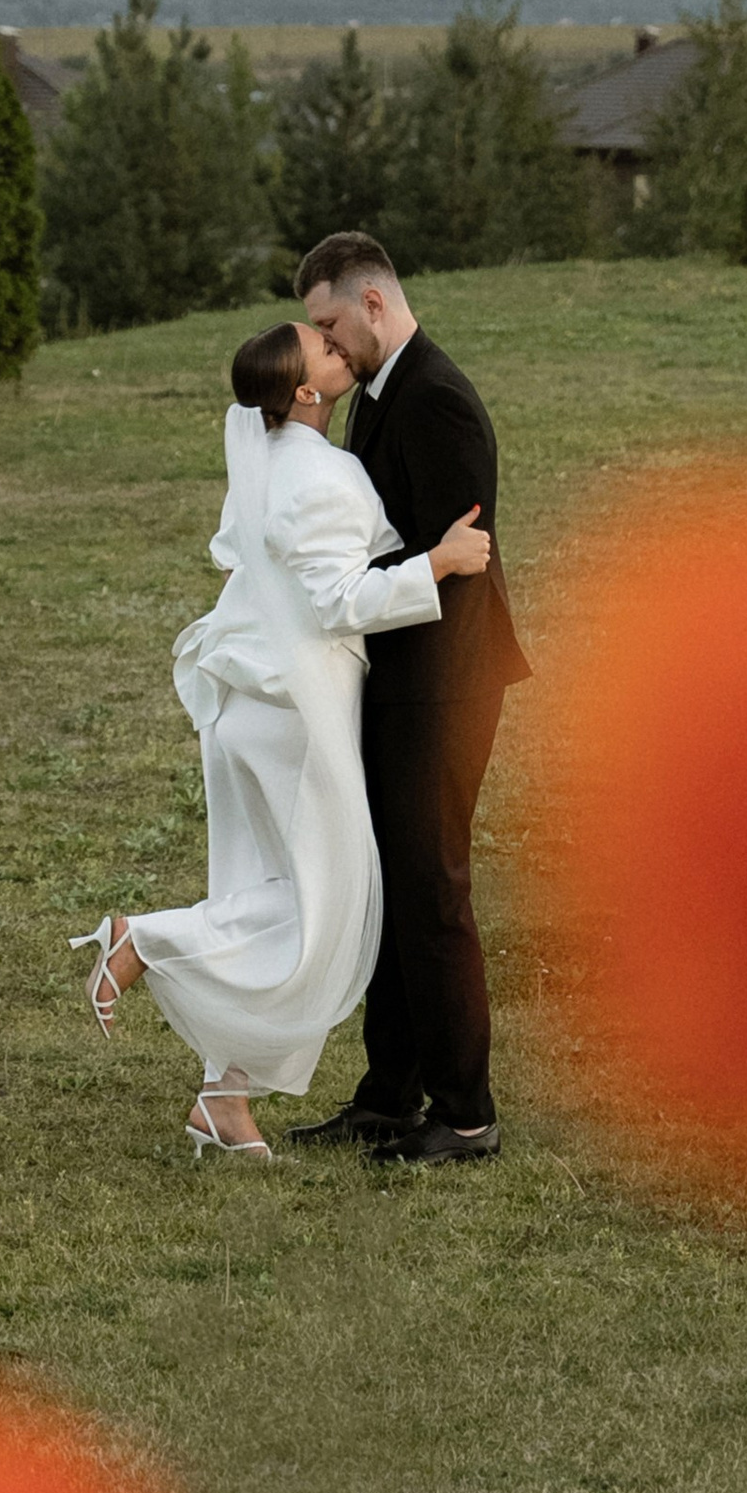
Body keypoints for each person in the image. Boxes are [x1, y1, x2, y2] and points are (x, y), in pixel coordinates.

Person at [71, 316, 493, 1157]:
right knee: (322, 909)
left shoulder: (258, 460)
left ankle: (224, 1100)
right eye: (327, 351)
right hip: (293, 711)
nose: (344, 352)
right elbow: (341, 601)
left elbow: (241, 561)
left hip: (240, 699)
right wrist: (438, 563)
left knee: (255, 886)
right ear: (305, 389)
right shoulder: (329, 475)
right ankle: (142, 939)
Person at [286, 230, 530, 1162]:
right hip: (395, 681)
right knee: (389, 889)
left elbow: (457, 565)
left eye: (332, 324)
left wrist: (345, 597)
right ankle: (390, 1092)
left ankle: (466, 1113)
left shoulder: (436, 400)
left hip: (446, 686)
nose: (328, 348)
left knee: (431, 891)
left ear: (373, 301)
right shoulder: (380, 397)